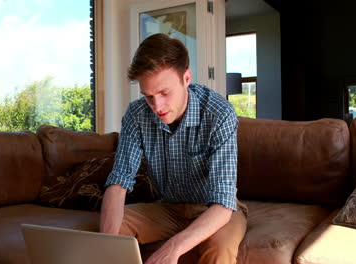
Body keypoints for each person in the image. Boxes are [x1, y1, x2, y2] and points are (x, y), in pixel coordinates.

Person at [100, 33, 248, 264]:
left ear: (186, 78)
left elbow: (222, 203)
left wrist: (173, 248)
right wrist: (107, 245)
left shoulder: (220, 114)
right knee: (106, 234)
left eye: (164, 93)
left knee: (220, 248)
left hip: (213, 210)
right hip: (167, 209)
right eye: (149, 96)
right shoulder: (136, 115)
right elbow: (119, 183)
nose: (157, 106)